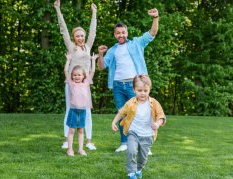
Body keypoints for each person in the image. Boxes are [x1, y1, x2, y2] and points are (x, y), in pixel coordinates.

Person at [98, 8, 159, 152]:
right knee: (122, 113)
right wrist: (101, 54)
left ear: (127, 33)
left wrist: (155, 17)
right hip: (118, 85)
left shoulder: (136, 44)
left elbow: (152, 33)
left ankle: (144, 144)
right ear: (114, 35)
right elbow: (101, 67)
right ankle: (124, 143)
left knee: (140, 113)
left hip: (135, 86)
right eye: (118, 33)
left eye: (123, 32)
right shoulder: (112, 50)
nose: (121, 35)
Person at [54, 0, 97, 151]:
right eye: (77, 36)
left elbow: (93, 32)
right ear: (74, 37)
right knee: (70, 110)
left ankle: (89, 141)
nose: (80, 38)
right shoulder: (71, 47)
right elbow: (63, 29)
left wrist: (94, 13)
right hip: (72, 85)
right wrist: (58, 10)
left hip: (85, 84)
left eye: (82, 35)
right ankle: (67, 140)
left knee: (87, 112)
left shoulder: (88, 46)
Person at [111, 74, 166, 179]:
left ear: (149, 90)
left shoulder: (154, 103)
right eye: (139, 90)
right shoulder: (130, 103)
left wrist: (157, 124)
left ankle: (138, 169)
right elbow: (121, 112)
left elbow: (162, 116)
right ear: (134, 90)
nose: (142, 93)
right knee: (131, 151)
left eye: (145, 90)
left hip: (147, 135)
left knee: (143, 158)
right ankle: (131, 173)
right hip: (133, 132)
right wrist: (114, 122)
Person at [64, 52, 98, 157]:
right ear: (72, 76)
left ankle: (80, 149)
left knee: (80, 130)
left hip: (83, 111)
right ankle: (70, 150)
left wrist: (93, 60)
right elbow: (65, 71)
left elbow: (92, 71)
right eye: (74, 75)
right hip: (73, 110)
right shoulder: (71, 83)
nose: (76, 76)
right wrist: (68, 60)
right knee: (71, 130)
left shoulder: (86, 83)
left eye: (79, 75)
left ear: (83, 76)